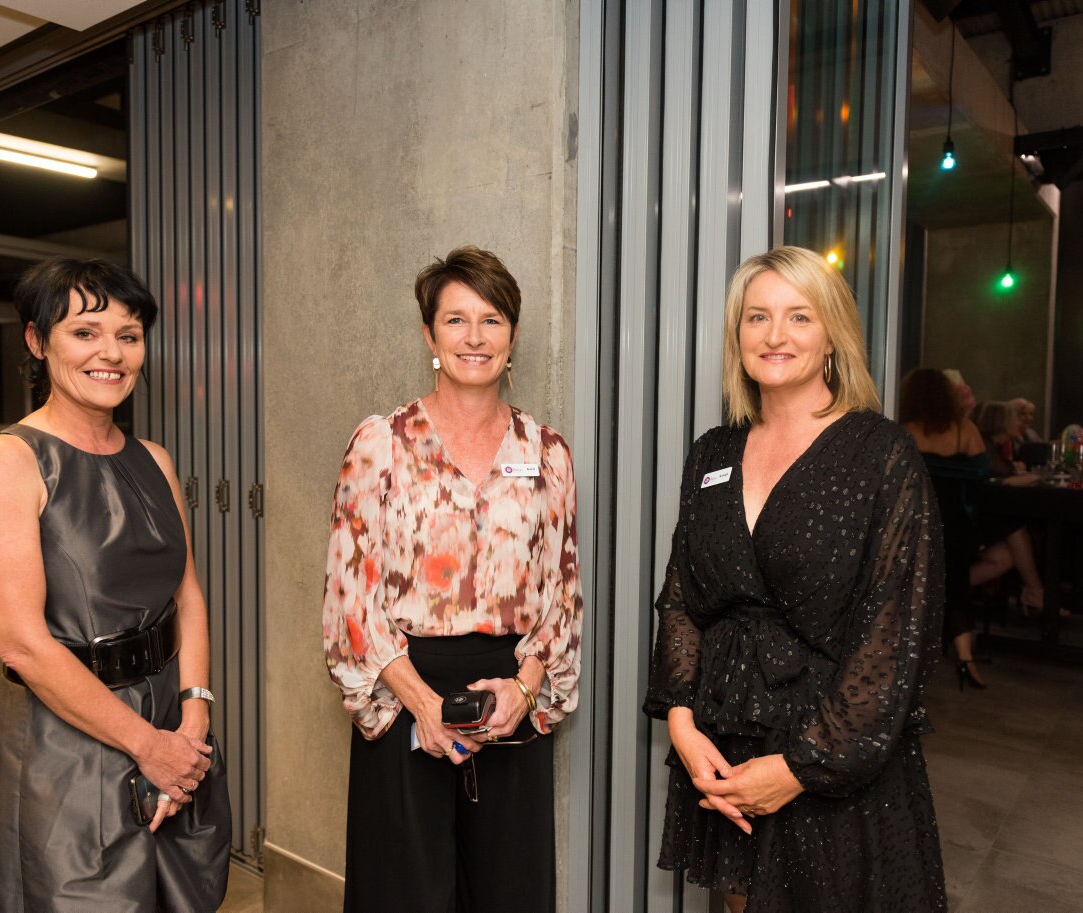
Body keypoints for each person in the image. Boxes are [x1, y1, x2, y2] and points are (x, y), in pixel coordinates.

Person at [644, 246, 946, 912]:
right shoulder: (713, 452)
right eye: (757, 317)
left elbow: (896, 633)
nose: (775, 335)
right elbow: (683, 597)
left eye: (798, 316)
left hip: (837, 756)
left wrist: (801, 766)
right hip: (728, 737)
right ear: (737, 335)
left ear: (833, 335)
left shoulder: (880, 453)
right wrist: (685, 724)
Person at [0, 259, 231, 912]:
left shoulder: (153, 458)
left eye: (129, 335)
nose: (112, 352)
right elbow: (22, 644)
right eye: (85, 332)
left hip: (169, 720)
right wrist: (148, 748)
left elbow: (185, 594)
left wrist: (194, 712)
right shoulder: (8, 461)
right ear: (36, 340)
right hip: (64, 745)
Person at [322, 245, 582, 913]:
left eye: (492, 319)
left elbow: (564, 590)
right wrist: (423, 703)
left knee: (509, 891)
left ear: (513, 334)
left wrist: (525, 690)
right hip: (405, 692)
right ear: (429, 335)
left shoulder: (546, 452)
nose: (474, 337)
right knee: (406, 892)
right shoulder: (380, 443)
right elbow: (351, 600)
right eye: (456, 319)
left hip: (510, 698)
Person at [900, 368, 992, 688]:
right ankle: (966, 660)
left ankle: (910, 665)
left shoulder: (906, 431)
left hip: (917, 524)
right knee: (958, 588)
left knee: (915, 590)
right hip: (955, 523)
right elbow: (982, 471)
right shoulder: (963, 429)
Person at [969, 400, 1047, 616]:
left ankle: (945, 588)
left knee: (1007, 554)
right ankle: (1035, 592)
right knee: (1015, 528)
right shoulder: (982, 446)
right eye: (1015, 418)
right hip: (971, 516)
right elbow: (989, 483)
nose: (1022, 423)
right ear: (1001, 422)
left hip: (983, 512)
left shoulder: (993, 446)